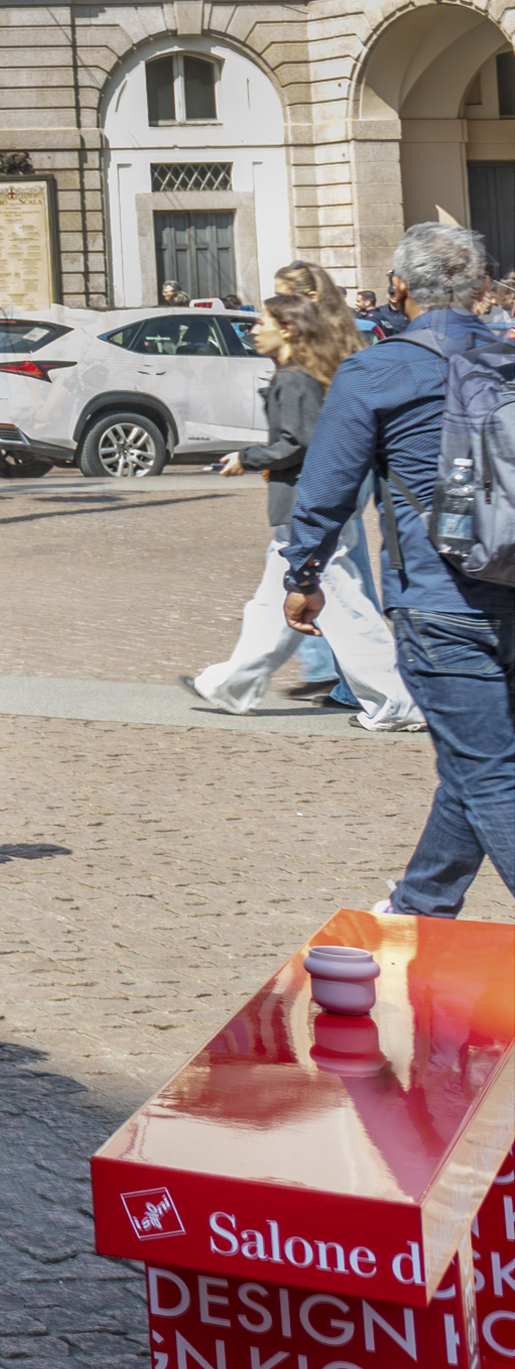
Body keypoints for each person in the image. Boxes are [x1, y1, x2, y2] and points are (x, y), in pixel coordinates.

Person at [284, 224, 515, 915]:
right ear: (480, 290)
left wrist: (303, 577)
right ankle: (419, 904)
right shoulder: (507, 358)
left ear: (397, 290)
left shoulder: (376, 370)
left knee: (486, 769)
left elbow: (325, 489)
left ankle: (420, 903)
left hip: (436, 597)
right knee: (474, 758)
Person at [192, 286, 413, 726]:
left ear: (288, 330)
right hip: (308, 507)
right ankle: (233, 684)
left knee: (342, 606)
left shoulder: (293, 379)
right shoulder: (299, 375)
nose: (254, 331)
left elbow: (300, 442)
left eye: (263, 323)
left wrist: (247, 458)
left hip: (307, 508)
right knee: (270, 605)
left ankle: (396, 701)